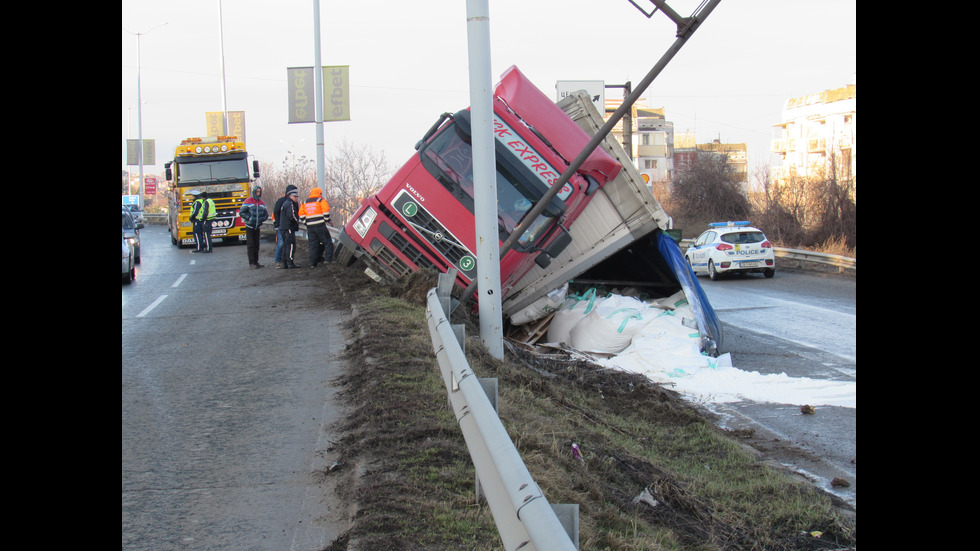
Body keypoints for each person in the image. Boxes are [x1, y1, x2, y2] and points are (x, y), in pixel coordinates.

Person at [299, 187, 334, 267]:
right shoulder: (321, 201)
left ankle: (312, 263)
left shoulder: (305, 202)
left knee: (313, 244)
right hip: (320, 225)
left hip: (310, 227)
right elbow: (325, 210)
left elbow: (301, 213)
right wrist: (326, 220)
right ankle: (328, 260)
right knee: (328, 242)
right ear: (320, 193)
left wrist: (306, 222)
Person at [239, 184, 269, 268]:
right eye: (257, 191)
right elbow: (242, 212)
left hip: (257, 226)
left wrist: (261, 220)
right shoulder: (248, 201)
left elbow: (266, 215)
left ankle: (256, 262)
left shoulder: (262, 203)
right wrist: (249, 218)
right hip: (250, 226)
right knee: (251, 244)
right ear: (254, 192)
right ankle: (251, 263)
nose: (258, 193)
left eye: (259, 192)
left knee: (257, 245)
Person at [273, 184, 298, 266]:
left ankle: (283, 262)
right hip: (286, 226)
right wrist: (296, 221)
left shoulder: (286, 202)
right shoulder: (288, 203)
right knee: (287, 244)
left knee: (284, 244)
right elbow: (291, 215)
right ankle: (284, 261)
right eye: (295, 195)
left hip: (283, 226)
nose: (296, 197)